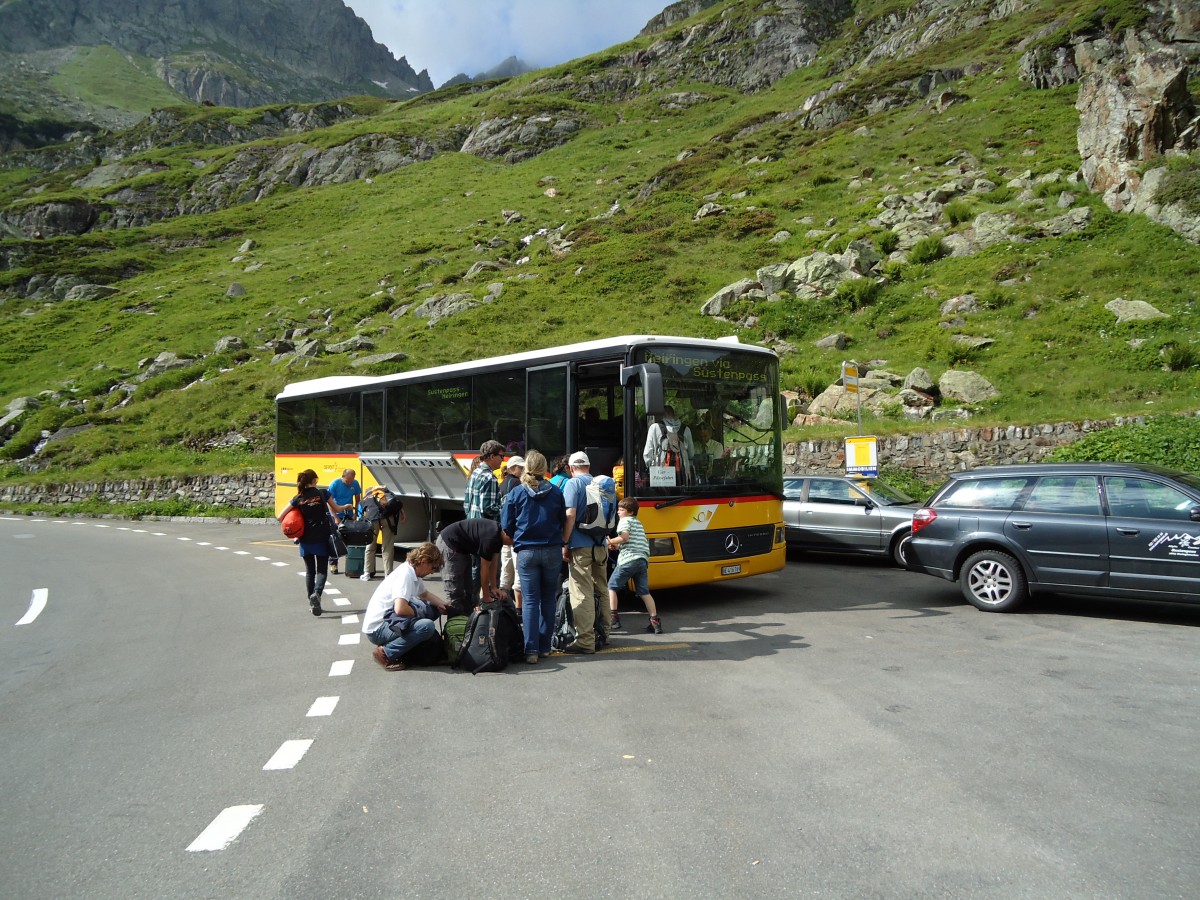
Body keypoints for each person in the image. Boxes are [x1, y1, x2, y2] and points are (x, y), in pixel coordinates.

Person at [500, 450, 566, 664]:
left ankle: (531, 651)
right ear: (544, 468)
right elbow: (562, 521)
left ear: (526, 467)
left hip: (526, 552)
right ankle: (545, 646)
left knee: (529, 601)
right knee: (548, 598)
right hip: (552, 550)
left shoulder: (517, 493)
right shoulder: (556, 492)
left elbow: (506, 525)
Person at [363, 543, 449, 671]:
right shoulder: (405, 575)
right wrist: (420, 614)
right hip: (377, 629)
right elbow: (400, 609)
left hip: (388, 621)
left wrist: (443, 605)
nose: (432, 572)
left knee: (431, 611)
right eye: (433, 567)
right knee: (426, 626)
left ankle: (403, 646)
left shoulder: (412, 570)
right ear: (424, 561)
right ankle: (385, 653)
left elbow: (424, 594)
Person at [560, 450, 612, 655]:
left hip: (580, 546)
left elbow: (570, 515)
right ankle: (605, 634)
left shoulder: (573, 484)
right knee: (602, 588)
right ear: (588, 467)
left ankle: (585, 640)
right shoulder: (602, 483)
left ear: (571, 468)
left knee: (582, 591)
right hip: (601, 545)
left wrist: (564, 542)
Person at [281, 468, 338, 616]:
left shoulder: (297, 498)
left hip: (305, 539)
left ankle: (311, 603)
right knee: (322, 570)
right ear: (314, 481)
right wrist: (347, 507)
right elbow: (336, 509)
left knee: (310, 572)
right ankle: (317, 595)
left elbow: (281, 516)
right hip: (321, 537)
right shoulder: (323, 493)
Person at [607, 497, 662, 634]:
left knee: (611, 587)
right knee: (644, 592)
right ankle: (654, 621)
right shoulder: (638, 522)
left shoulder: (624, 521)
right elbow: (632, 541)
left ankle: (613, 618)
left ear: (630, 512)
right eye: (618, 509)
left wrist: (610, 541)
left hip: (628, 560)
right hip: (642, 560)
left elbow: (625, 537)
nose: (618, 512)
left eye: (621, 510)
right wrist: (618, 546)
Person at [436, 517, 508, 618]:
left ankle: (469, 624)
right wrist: (486, 596)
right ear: (507, 534)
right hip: (450, 543)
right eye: (515, 540)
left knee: (468, 590)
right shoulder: (491, 538)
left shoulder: (498, 536)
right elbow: (484, 569)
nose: (515, 543)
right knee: (455, 592)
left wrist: (494, 587)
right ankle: (455, 627)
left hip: (462, 548)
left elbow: (494, 563)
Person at [464, 439, 505, 600]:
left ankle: (472, 601)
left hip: (471, 526)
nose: (502, 460)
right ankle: (480, 601)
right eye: (501, 456)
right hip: (484, 532)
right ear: (491, 456)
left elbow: (467, 503)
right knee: (487, 567)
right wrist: (504, 507)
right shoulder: (490, 478)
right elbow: (488, 508)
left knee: (475, 567)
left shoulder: (475, 473)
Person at [360, 486, 405, 582]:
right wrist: (403, 515)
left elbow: (362, 510)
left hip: (372, 519)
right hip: (388, 519)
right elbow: (398, 505)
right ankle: (388, 574)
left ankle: (367, 573)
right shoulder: (389, 494)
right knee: (387, 546)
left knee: (370, 546)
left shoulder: (368, 496)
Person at [497, 456, 525, 610]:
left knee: (506, 570)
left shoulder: (502, 484)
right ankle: (519, 608)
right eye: (521, 468)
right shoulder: (516, 484)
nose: (523, 470)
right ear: (513, 468)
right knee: (518, 570)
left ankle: (503, 604)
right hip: (515, 534)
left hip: (503, 532)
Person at [642, 405, 695, 481]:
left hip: (661, 477)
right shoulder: (686, 429)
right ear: (674, 415)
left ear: (661, 415)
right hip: (682, 478)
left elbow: (647, 455)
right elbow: (691, 454)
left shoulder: (654, 427)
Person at [326, 468, 362, 574]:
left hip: (348, 515)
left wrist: (356, 514)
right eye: (348, 481)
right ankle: (333, 564)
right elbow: (329, 502)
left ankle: (351, 565)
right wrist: (336, 517)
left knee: (350, 540)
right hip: (336, 514)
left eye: (351, 480)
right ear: (343, 476)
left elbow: (358, 500)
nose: (350, 483)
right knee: (335, 540)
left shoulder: (355, 483)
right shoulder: (335, 484)